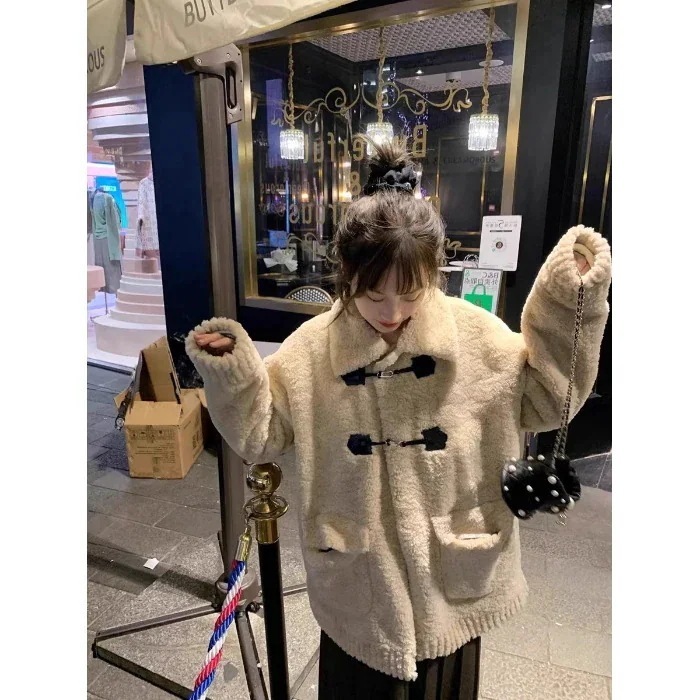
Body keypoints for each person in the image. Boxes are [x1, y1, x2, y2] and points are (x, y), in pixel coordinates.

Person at [185, 141, 611, 699]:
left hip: (454, 573)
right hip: (359, 583)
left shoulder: (477, 336)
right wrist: (232, 374)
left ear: (433, 274)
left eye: (409, 294)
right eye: (371, 295)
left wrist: (566, 298)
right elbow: (261, 435)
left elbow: (548, 401)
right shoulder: (311, 351)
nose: (391, 313)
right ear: (346, 276)